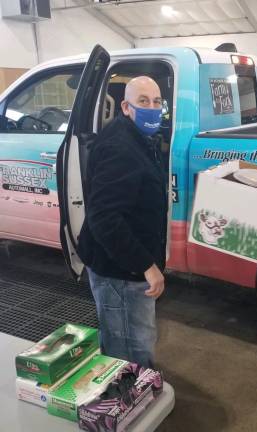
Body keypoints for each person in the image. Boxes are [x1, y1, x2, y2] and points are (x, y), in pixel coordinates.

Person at [77, 76, 167, 368]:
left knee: (133, 339)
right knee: (130, 347)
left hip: (126, 264)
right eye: (144, 102)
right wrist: (146, 265)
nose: (152, 108)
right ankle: (129, 402)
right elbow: (104, 217)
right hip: (119, 271)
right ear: (126, 107)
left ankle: (136, 395)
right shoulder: (121, 148)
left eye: (157, 102)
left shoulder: (137, 138)